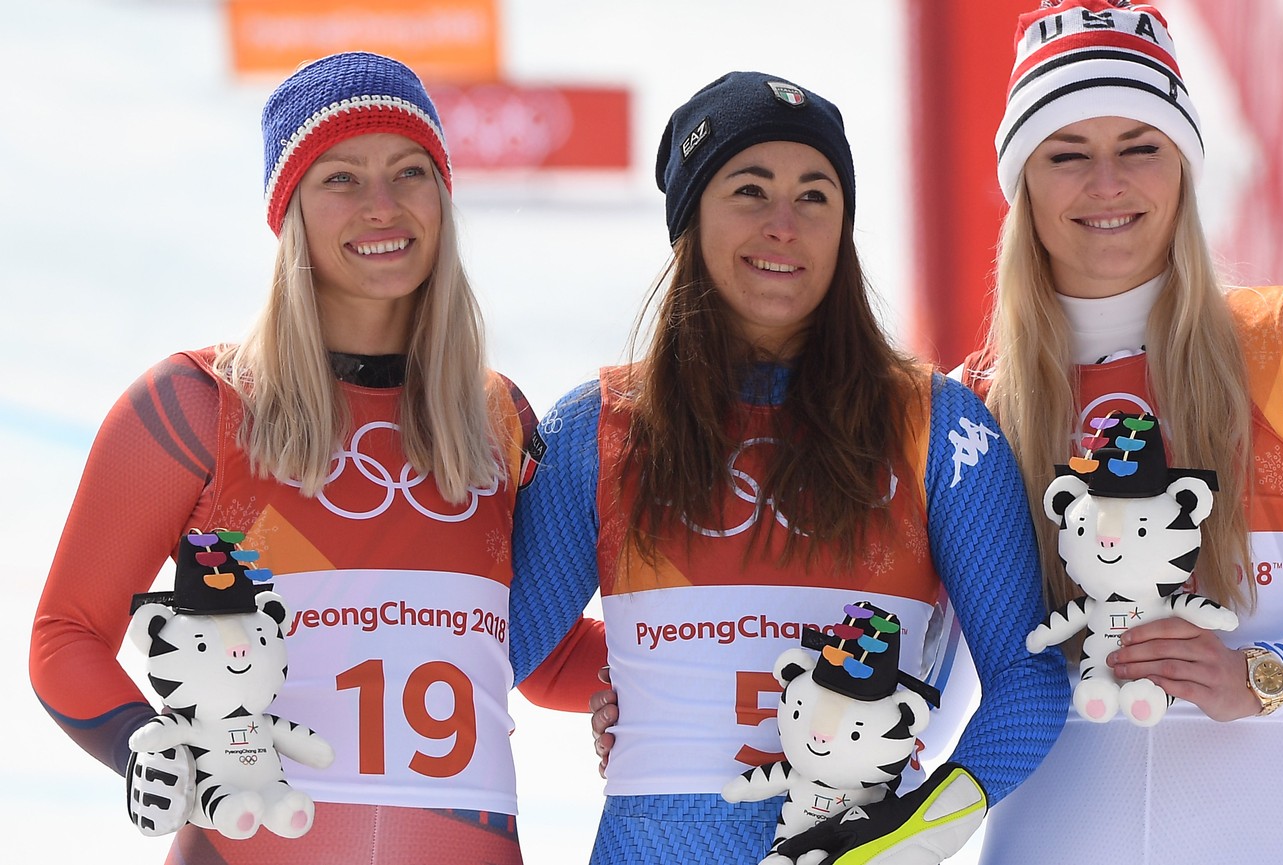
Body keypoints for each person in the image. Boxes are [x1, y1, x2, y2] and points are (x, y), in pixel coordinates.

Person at [28, 51, 605, 864]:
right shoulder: (196, 405)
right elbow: (67, 631)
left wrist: (709, 670)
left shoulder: (494, 419)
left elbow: (532, 653)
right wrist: (141, 746)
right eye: (341, 178)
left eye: (410, 172)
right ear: (289, 209)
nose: (383, 206)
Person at [959, 2, 1283, 862]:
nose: (1107, 183)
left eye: (1140, 145)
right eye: (1066, 154)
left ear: (1185, 167)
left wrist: (1265, 675)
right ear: (1023, 181)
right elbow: (926, 672)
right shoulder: (971, 410)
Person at [507, 70, 1070, 865]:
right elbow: (492, 651)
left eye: (815, 196)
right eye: (749, 190)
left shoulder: (934, 426)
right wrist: (647, 675)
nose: (785, 224)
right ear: (689, 219)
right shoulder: (600, 426)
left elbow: (1029, 675)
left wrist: (922, 826)